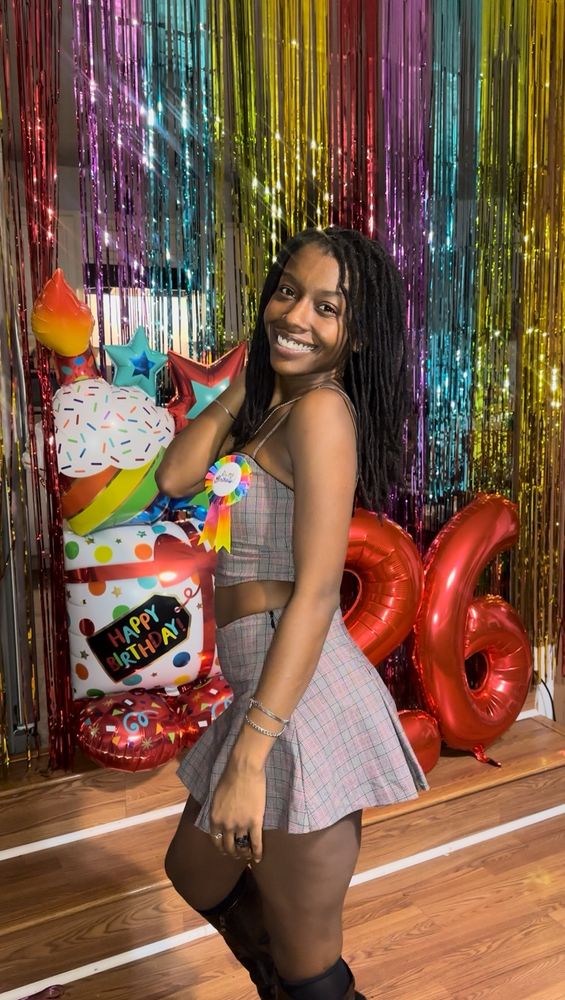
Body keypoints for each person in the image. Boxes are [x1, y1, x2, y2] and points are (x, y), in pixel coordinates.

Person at [158, 226, 428, 1000]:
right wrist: (245, 385)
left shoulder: (321, 414)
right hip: (265, 688)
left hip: (297, 704)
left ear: (357, 332)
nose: (297, 315)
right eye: (287, 291)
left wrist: (248, 758)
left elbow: (316, 593)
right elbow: (176, 474)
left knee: (313, 972)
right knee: (194, 869)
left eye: (327, 306)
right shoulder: (275, 408)